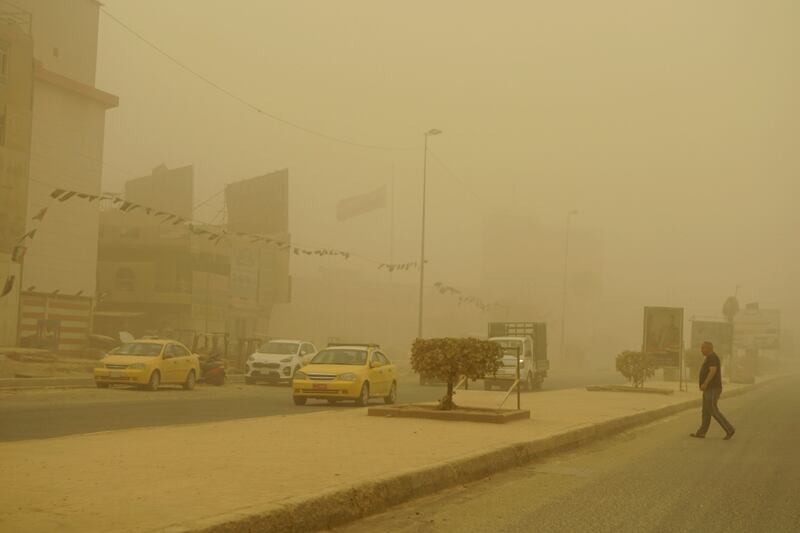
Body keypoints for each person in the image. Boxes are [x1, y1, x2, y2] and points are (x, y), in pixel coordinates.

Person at [691, 341, 735, 440]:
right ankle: (701, 432)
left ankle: (729, 429)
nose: (701, 350)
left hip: (712, 388)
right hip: (709, 389)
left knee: (713, 410)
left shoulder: (712, 358)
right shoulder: (709, 358)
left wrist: (705, 383)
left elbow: (713, 371)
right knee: (706, 411)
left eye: (703, 348)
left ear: (709, 348)